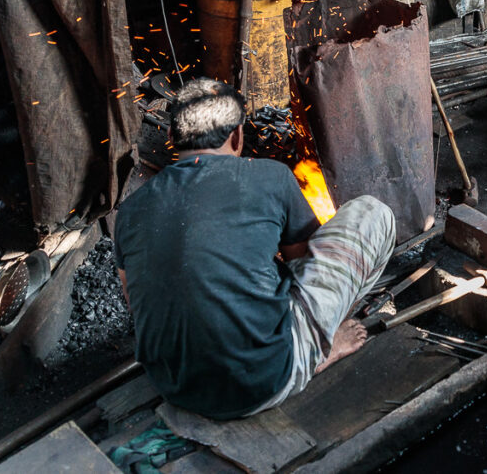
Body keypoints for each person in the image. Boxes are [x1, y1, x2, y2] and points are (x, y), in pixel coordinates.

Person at [114, 79, 395, 419]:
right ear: (237, 137)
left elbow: (135, 302)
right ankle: (319, 348)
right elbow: (304, 266)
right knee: (372, 213)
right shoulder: (270, 176)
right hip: (265, 382)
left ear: (171, 138)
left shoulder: (130, 210)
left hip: (174, 386)